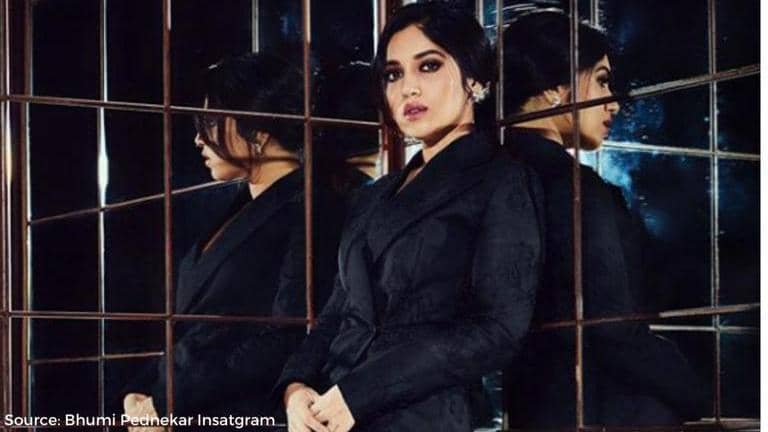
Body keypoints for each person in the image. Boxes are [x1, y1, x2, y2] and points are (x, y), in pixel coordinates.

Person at [276, 4, 544, 432]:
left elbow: (498, 330)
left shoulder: (501, 180)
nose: (408, 89)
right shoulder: (374, 195)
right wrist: (295, 387)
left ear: (475, 79)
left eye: (429, 66)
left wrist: (360, 393)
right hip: (328, 410)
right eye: (393, 74)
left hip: (422, 414)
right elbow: (338, 313)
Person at [501, 10, 708, 427]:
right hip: (606, 409)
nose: (611, 102)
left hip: (529, 409)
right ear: (554, 88)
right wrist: (698, 394)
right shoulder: (574, 188)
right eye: (601, 81)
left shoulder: (490, 176)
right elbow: (612, 329)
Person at [120, 53, 328, 430]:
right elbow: (194, 331)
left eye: (213, 122)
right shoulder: (238, 207)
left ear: (258, 129)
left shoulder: (310, 209)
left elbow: (286, 339)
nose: (199, 138)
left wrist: (166, 400)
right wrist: (140, 391)